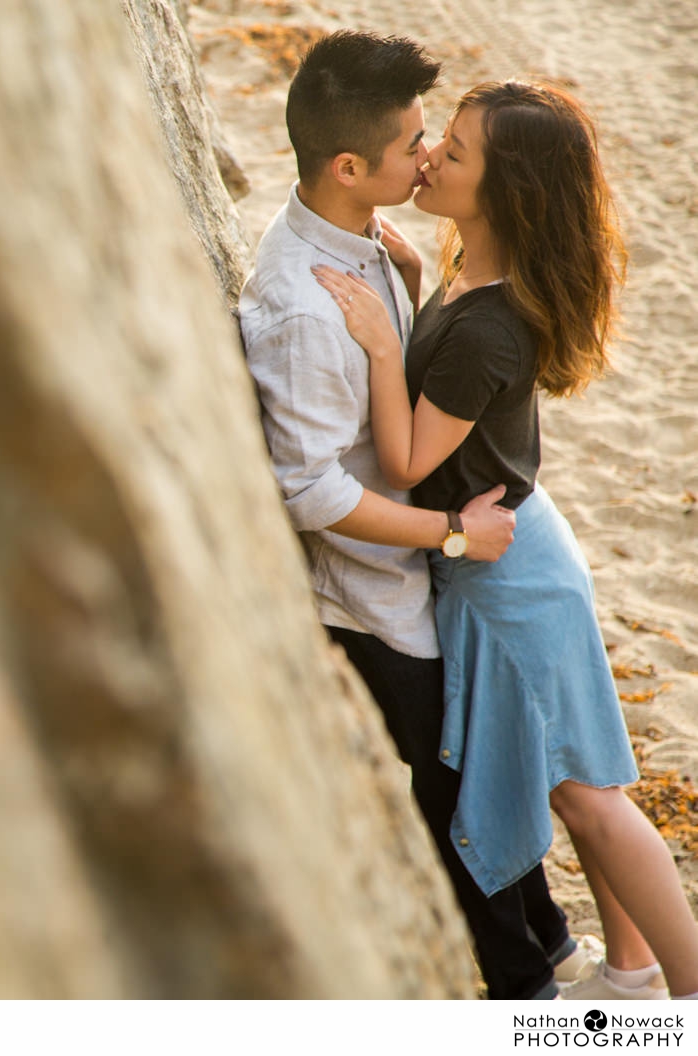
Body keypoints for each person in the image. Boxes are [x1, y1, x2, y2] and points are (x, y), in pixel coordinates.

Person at [316, 79, 698, 1001]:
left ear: (506, 191)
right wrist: (405, 292)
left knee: (588, 797)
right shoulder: (467, 272)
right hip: (519, 544)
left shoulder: (489, 324)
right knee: (585, 777)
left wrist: (377, 345)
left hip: (507, 574)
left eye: (455, 150)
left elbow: (406, 460)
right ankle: (634, 974)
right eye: (438, 139)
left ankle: (686, 998)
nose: (431, 157)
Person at [240, 31, 592, 1001]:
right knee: (456, 808)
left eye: (438, 141)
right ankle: (532, 994)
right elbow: (312, 492)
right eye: (414, 145)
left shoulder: (367, 245)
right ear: (352, 167)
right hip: (377, 605)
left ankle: (550, 943)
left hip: (421, 578)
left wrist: (400, 273)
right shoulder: (307, 311)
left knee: (475, 779)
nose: (426, 155)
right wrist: (450, 536)